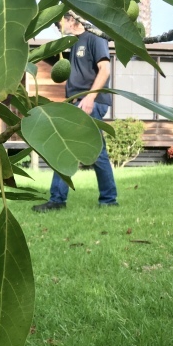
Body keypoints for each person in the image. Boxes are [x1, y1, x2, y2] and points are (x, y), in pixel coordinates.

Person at [32, 13, 118, 212]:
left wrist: (89, 98)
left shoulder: (95, 37)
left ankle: (59, 199)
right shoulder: (74, 43)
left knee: (71, 146)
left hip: (90, 102)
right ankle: (108, 199)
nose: (57, 26)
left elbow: (105, 69)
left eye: (58, 22)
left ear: (72, 19)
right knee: (94, 151)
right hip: (77, 102)